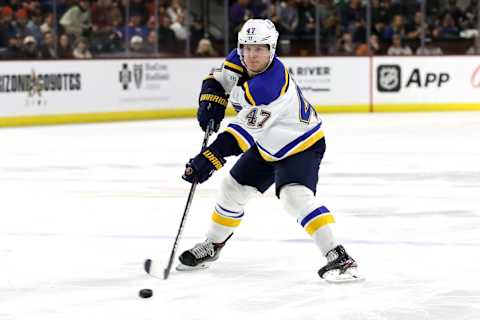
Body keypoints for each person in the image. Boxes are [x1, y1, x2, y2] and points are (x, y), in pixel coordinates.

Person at [177, 19, 363, 282]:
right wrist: (211, 98)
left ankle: (338, 256)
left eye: (259, 49)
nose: (251, 55)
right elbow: (217, 79)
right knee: (232, 188)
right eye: (246, 48)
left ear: (272, 49)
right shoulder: (238, 58)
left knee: (293, 197)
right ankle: (213, 245)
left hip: (301, 145)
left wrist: (208, 159)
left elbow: (240, 135)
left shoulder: (269, 86)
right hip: (266, 143)